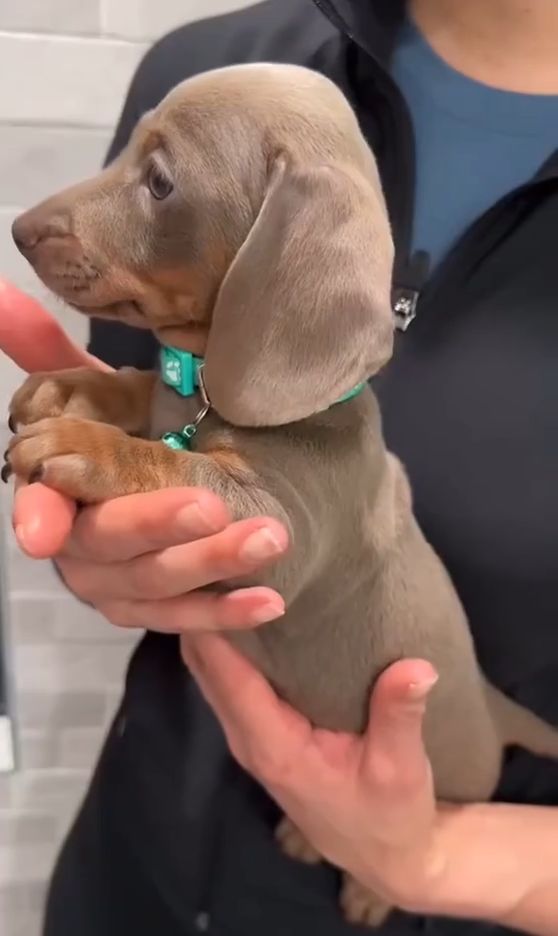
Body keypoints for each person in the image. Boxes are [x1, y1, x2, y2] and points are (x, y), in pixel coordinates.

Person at [2, 0, 558, 932]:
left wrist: (430, 859)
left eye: (160, 183)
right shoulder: (217, 60)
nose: (46, 223)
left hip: (449, 824)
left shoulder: (322, 430)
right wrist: (105, 503)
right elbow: (182, 395)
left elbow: (262, 515)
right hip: (149, 845)